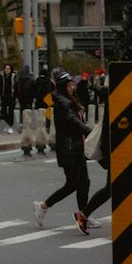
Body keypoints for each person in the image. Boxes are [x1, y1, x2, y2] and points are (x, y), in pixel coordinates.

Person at [34, 70, 90, 231]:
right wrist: (88, 131)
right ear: (62, 86)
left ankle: (85, 214)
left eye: (72, 84)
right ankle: (44, 206)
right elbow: (72, 121)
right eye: (69, 85)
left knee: (84, 182)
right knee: (73, 183)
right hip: (69, 148)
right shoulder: (60, 102)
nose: (72, 87)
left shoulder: (68, 100)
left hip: (77, 146)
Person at [80, 93, 112, 232]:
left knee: (110, 189)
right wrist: (106, 155)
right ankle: (83, 214)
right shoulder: (114, 100)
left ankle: (83, 214)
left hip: (118, 150)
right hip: (115, 151)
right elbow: (106, 131)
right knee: (110, 189)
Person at [0, 62, 15, 132]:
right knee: (3, 111)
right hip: (4, 96)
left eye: (8, 69)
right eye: (6, 68)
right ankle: (7, 123)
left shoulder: (13, 76)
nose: (7, 70)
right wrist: (0, 94)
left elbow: (15, 86)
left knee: (11, 111)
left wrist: (14, 95)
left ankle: (10, 125)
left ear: (11, 70)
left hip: (11, 96)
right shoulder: (1, 76)